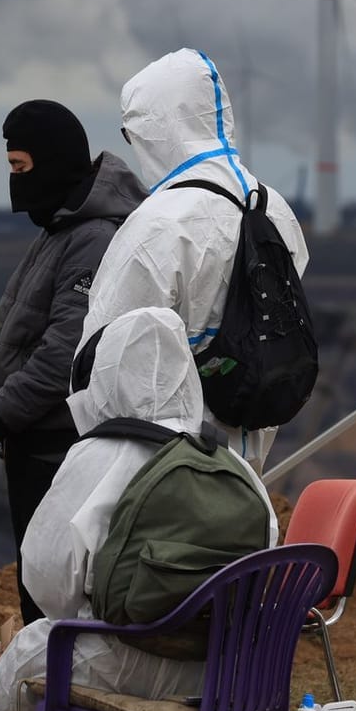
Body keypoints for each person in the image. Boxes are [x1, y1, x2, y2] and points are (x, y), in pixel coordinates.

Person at [0, 307, 277, 711]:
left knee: (21, 680)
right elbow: (265, 565)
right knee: (111, 666)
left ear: (103, 376)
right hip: (220, 676)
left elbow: (47, 578)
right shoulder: (232, 466)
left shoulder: (97, 456)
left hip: (123, 657)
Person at [0, 100, 144, 626]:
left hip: (54, 448)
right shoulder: (62, 229)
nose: (15, 182)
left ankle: (54, 693)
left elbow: (62, 355)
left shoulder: (92, 239)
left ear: (53, 161)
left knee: (50, 592)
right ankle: (45, 694)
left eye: (20, 168)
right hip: (27, 439)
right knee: (36, 582)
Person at [78, 49, 310, 472]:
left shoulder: (159, 222)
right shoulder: (274, 208)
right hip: (251, 451)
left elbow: (105, 357)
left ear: (151, 129)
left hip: (167, 465)